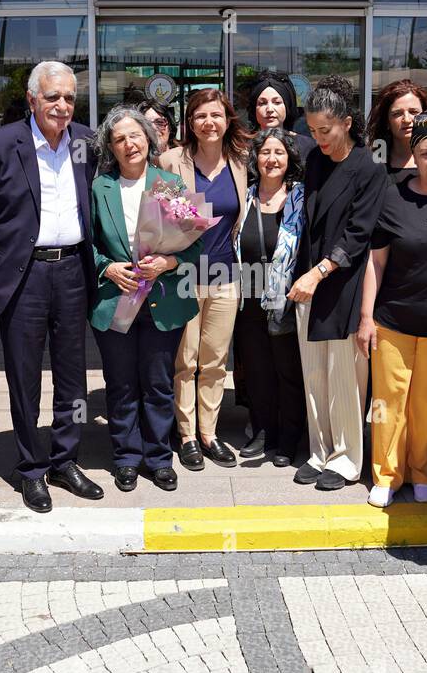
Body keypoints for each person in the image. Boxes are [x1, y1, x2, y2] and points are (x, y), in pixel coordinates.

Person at [0, 60, 105, 513]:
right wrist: (6, 260)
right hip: (24, 275)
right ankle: (31, 468)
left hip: (73, 272)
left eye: (69, 97)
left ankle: (66, 460)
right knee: (23, 378)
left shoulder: (87, 142)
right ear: (32, 100)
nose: (62, 106)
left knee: (73, 377)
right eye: (52, 97)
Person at [358, 112, 427, 508]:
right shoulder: (392, 195)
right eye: (426, 153)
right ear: (414, 154)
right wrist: (367, 317)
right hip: (393, 321)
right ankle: (387, 474)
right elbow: (376, 261)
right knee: (389, 403)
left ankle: (426, 472)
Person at [89, 107, 203, 491]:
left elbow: (195, 241)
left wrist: (169, 260)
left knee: (156, 383)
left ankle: (158, 458)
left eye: (134, 135)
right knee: (120, 384)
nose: (128, 144)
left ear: (148, 139)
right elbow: (83, 243)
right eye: (119, 139)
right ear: (111, 146)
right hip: (116, 298)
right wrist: (106, 267)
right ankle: (125, 457)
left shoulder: (168, 184)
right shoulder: (99, 187)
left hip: (161, 300)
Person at [288, 75, 385, 491]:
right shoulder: (314, 161)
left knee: (345, 377)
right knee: (315, 376)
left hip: (343, 282)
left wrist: (320, 271)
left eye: (325, 130)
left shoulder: (368, 167)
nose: (318, 138)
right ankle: (319, 449)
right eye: (311, 131)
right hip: (307, 280)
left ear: (346, 122)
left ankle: (346, 459)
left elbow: (358, 235)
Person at [160, 88, 249, 471]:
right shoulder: (170, 161)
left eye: (216, 115)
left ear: (227, 119)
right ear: (190, 123)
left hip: (226, 275)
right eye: (200, 116)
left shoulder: (242, 163)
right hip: (184, 274)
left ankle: (210, 434)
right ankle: (187, 436)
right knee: (185, 360)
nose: (208, 123)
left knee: (215, 361)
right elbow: (159, 219)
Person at [235, 128, 307, 468]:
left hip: (286, 298)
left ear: (289, 158)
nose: (271, 159)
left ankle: (290, 438)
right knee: (258, 371)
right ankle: (263, 431)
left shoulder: (300, 198)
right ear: (256, 158)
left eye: (278, 152)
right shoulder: (244, 196)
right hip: (247, 297)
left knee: (287, 372)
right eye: (265, 152)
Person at [366, 79, 427, 182]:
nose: (407, 119)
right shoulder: (373, 162)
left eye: (413, 112)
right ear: (387, 122)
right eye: (397, 114)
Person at [245, 71, 315, 162]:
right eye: (262, 103)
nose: (270, 109)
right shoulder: (243, 148)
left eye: (277, 102)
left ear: (287, 106)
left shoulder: (307, 145)